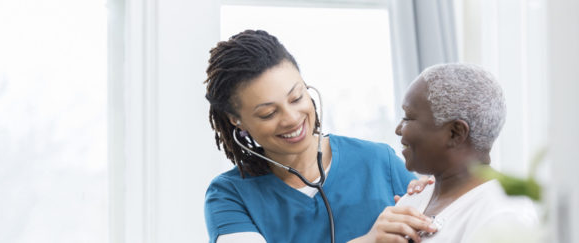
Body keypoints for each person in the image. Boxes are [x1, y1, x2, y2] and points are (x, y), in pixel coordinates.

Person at [203, 30, 437, 243]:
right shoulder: (229, 196)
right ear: (236, 120)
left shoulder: (378, 162)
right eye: (268, 113)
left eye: (296, 98)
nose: (292, 118)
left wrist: (436, 196)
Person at [394, 63, 538, 242]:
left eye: (408, 117)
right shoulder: (411, 203)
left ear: (455, 133)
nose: (398, 129)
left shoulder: (504, 216)